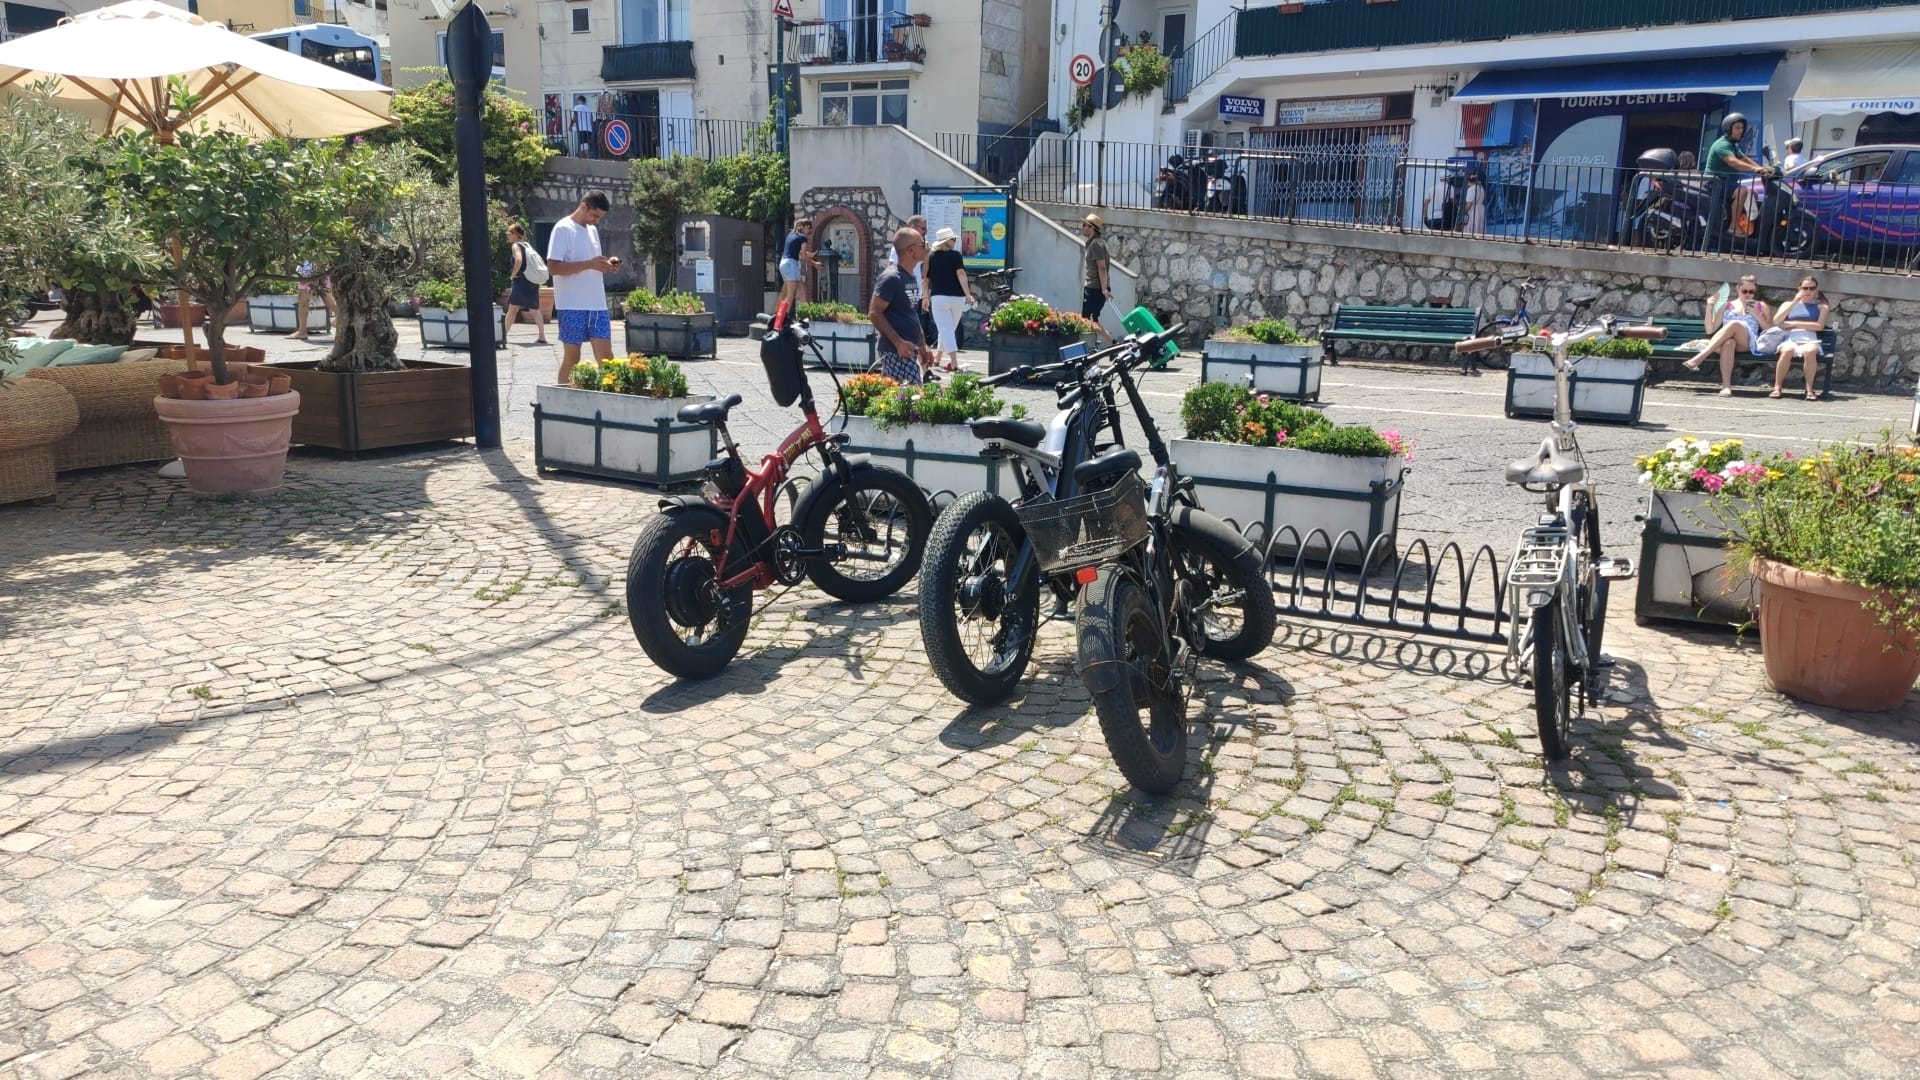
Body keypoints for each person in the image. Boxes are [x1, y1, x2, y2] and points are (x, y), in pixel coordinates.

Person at [547, 190, 620, 385]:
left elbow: (592, 263)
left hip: (597, 304)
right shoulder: (563, 229)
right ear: (583, 206)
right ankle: (562, 398)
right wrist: (590, 264)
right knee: (573, 358)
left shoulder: (592, 230)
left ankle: (611, 401)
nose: (597, 220)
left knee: (607, 358)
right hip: (571, 305)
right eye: (595, 215)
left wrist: (606, 264)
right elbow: (553, 267)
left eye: (600, 217)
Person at [1683, 274, 1774, 395]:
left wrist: (1757, 314)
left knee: (1734, 324)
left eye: (1751, 292)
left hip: (1747, 341)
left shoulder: (1761, 306)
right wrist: (1709, 307)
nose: (1748, 294)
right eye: (1744, 291)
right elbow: (1710, 330)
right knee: (1729, 343)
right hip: (1728, 341)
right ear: (1737, 288)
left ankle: (1700, 357)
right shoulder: (1726, 306)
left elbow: (1769, 330)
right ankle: (1726, 386)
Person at [870, 226, 935, 384]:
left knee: (903, 401)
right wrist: (898, 343)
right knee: (908, 400)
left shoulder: (911, 277)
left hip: (907, 350)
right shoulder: (891, 278)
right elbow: (874, 313)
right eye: (922, 244)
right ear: (911, 250)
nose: (926, 248)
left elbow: (911, 314)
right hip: (895, 351)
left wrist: (922, 346)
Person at [1703, 113, 1769, 251]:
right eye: (1737, 127)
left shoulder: (1733, 145)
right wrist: (1755, 169)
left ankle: (1745, 224)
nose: (1741, 130)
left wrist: (1761, 168)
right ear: (1728, 129)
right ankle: (1733, 227)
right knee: (1742, 192)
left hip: (1726, 183)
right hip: (1715, 183)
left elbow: (1743, 158)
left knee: (1753, 194)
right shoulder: (1722, 144)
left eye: (1742, 128)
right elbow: (1733, 162)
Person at [1770, 275, 1828, 400]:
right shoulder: (1788, 304)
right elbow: (1777, 320)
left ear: (1816, 289)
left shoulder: (1821, 307)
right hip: (1791, 337)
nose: (1808, 291)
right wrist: (1795, 302)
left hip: (1810, 337)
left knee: (1810, 351)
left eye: (1811, 288)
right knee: (1787, 350)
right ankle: (1777, 387)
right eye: (1805, 288)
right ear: (1799, 289)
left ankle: (1809, 389)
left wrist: (1794, 323)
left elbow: (1819, 326)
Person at [924, 226, 972, 372]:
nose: (955, 241)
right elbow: (961, 274)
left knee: (946, 329)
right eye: (953, 239)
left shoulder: (931, 257)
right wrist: (968, 294)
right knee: (948, 329)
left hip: (939, 298)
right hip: (957, 298)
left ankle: (939, 357)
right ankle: (953, 361)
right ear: (947, 241)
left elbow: (925, 278)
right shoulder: (956, 255)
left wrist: (925, 296)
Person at [503, 222, 549, 347]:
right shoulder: (527, 245)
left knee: (512, 310)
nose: (507, 235)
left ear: (515, 234)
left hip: (521, 281)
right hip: (531, 280)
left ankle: (503, 336)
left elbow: (518, 260)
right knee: (534, 308)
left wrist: (513, 274)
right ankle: (542, 336)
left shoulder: (516, 245)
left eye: (509, 233)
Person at [1080, 213, 1114, 346]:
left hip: (1095, 289)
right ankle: (1111, 344)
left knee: (1087, 320)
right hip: (1094, 288)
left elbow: (1102, 267)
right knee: (1092, 320)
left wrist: (1104, 289)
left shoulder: (1096, 244)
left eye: (1084, 225)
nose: (1082, 227)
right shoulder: (1095, 243)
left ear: (1091, 228)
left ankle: (1106, 346)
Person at [778, 218, 821, 308]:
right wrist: (814, 264)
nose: (809, 230)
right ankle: (783, 319)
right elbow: (803, 257)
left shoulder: (791, 234)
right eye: (808, 227)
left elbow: (797, 251)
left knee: (802, 290)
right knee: (790, 295)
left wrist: (808, 254)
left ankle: (805, 315)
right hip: (791, 264)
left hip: (784, 263)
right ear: (802, 227)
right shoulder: (803, 238)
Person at [290, 260, 336, 342]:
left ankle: (302, 331)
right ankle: (341, 317)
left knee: (303, 300)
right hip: (321, 268)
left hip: (308, 267)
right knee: (327, 297)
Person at [1461, 170, 1487, 235]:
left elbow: (1469, 204)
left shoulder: (1471, 189)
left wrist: (1463, 211)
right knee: (1479, 229)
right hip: (1481, 210)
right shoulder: (1481, 188)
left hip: (1473, 212)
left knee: (1471, 229)